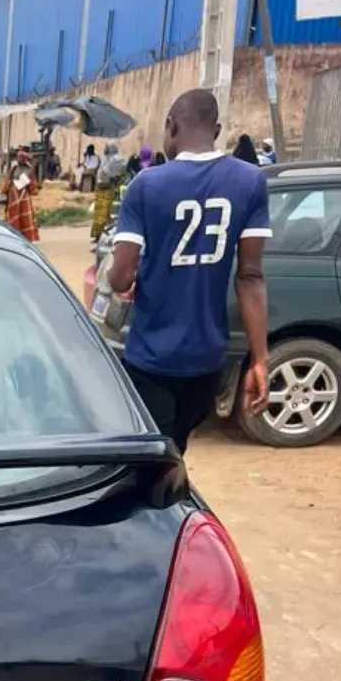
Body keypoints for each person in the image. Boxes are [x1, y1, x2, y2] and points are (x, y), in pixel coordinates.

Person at [107, 87, 271, 454]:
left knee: (154, 457)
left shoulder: (145, 185)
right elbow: (250, 277)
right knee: (178, 447)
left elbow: (119, 279)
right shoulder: (250, 182)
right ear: (216, 129)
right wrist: (260, 358)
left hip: (151, 359)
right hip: (207, 361)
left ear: (170, 126)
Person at [91, 142, 126, 241]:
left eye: (106, 148)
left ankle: (104, 236)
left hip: (107, 189)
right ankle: (98, 235)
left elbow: (117, 173)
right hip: (100, 190)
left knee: (105, 213)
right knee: (99, 213)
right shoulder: (106, 159)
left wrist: (113, 179)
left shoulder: (117, 160)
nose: (105, 149)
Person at [5, 147, 40, 241]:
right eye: (18, 157)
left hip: (24, 196)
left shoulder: (30, 170)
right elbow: (7, 181)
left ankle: (27, 236)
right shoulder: (14, 169)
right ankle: (14, 236)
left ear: (25, 159)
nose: (19, 159)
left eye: (21, 158)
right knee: (13, 215)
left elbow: (33, 187)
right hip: (13, 196)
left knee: (25, 217)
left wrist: (28, 183)